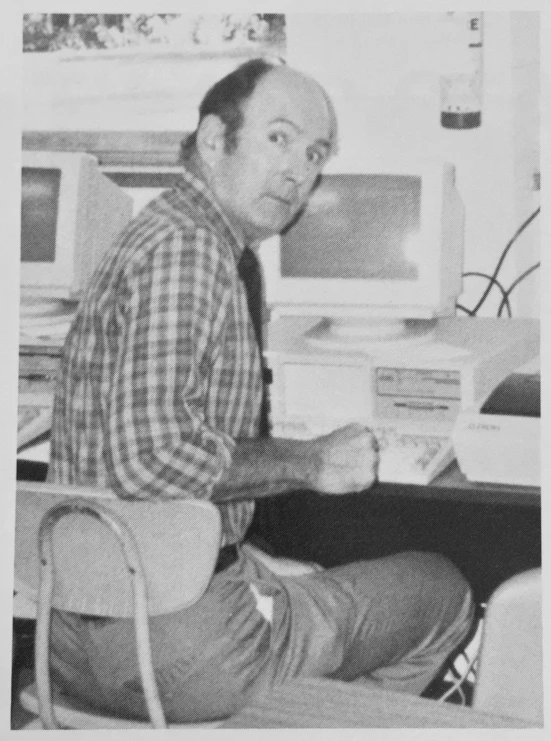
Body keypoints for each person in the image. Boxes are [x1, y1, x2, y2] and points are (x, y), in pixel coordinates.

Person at [47, 57, 474, 723]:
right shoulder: (188, 252)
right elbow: (151, 460)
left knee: (292, 573)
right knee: (440, 588)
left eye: (314, 152)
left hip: (72, 637)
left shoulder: (161, 229)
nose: (300, 169)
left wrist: (238, 552)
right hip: (173, 651)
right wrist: (309, 461)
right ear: (215, 139)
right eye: (279, 137)